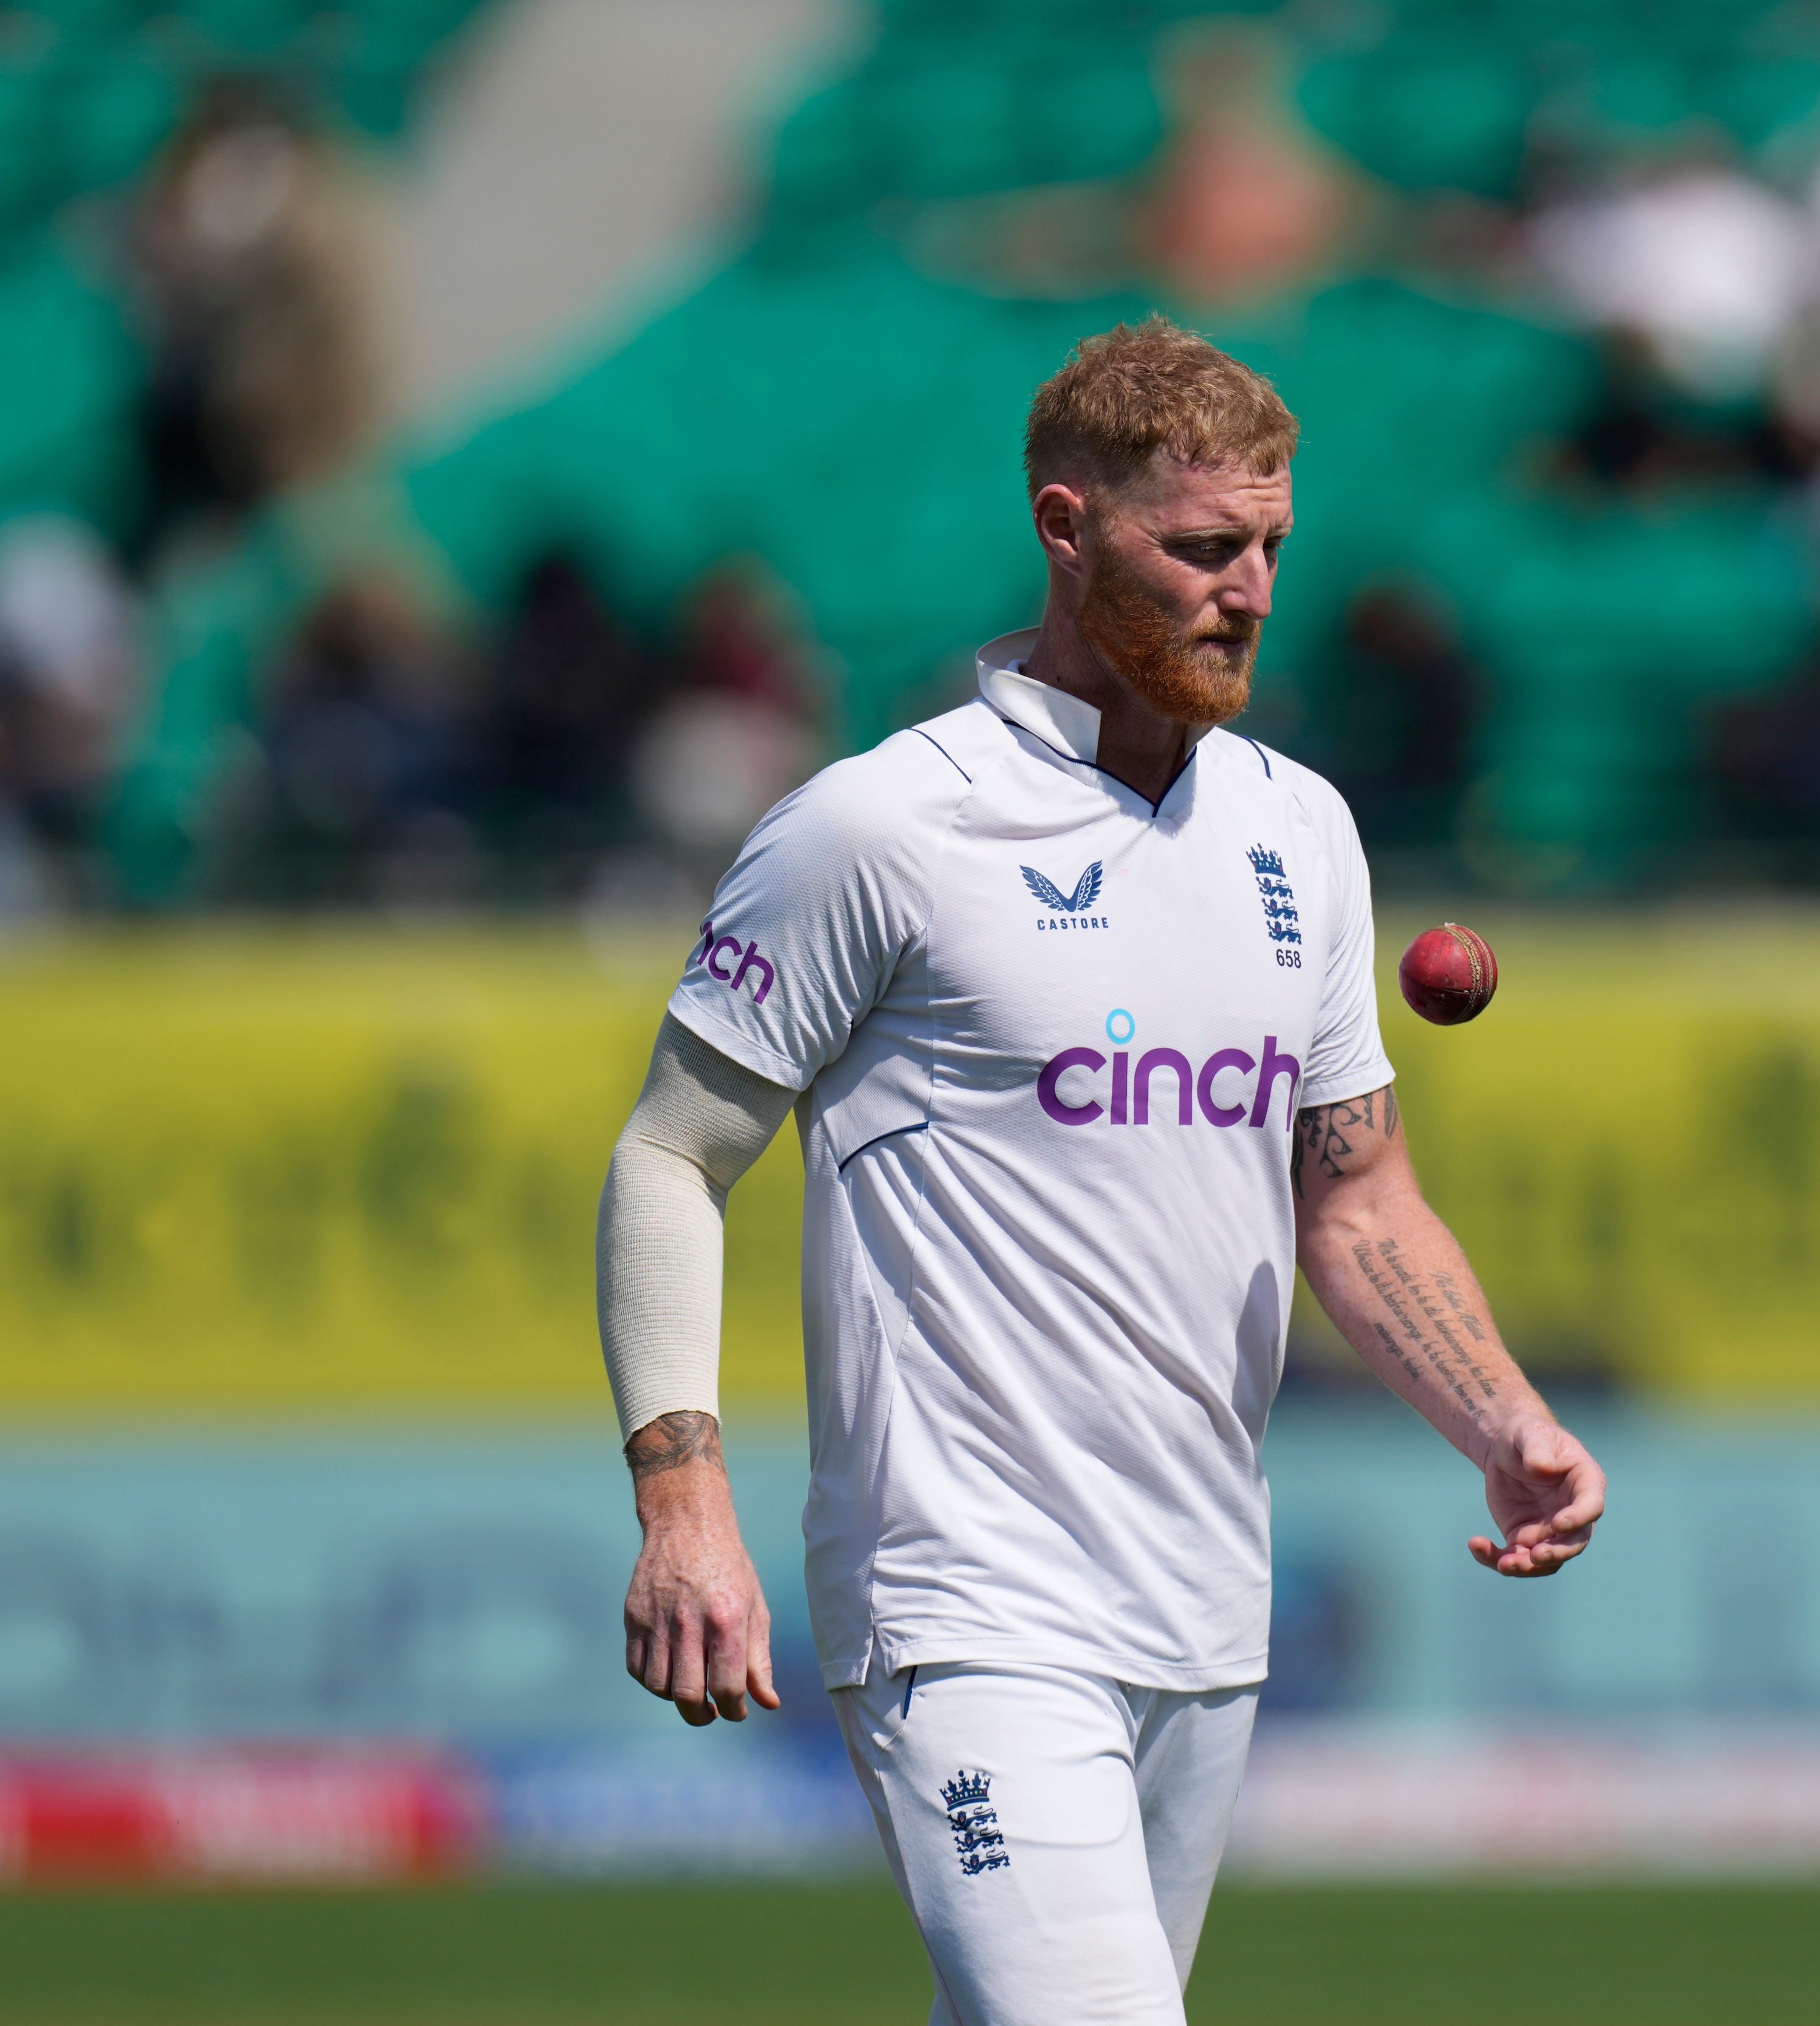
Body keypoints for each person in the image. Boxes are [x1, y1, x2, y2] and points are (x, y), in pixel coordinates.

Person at [593, 318, 1606, 2026]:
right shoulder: (883, 828)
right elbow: (668, 1160)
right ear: (1067, 528)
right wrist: (683, 1504)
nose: (1251, 591)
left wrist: (1498, 1414)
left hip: (1206, 1602)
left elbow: (1354, 1195)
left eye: (1273, 548)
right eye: (1204, 549)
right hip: (965, 1595)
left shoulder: (1302, 830)